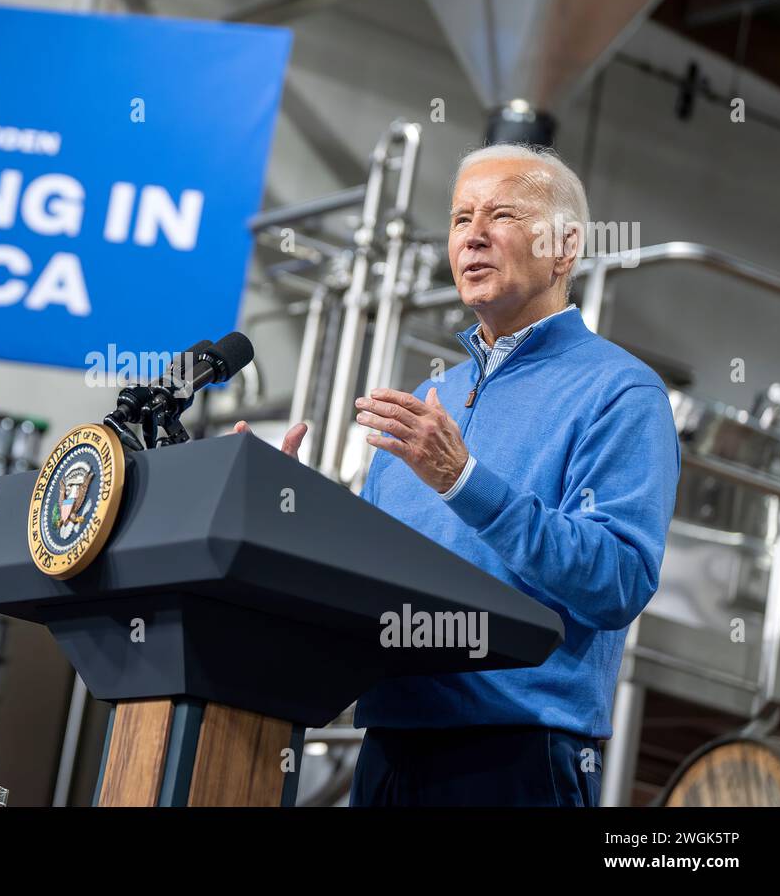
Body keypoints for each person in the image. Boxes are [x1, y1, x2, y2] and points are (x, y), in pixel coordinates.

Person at [235, 144, 680, 805]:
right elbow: (373, 568)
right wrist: (290, 506)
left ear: (564, 249)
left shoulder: (619, 393)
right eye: (458, 218)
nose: (471, 236)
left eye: (500, 214)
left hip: (517, 758)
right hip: (389, 748)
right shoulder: (432, 398)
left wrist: (464, 479)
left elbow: (616, 581)